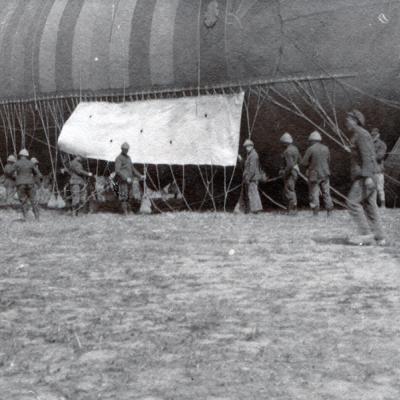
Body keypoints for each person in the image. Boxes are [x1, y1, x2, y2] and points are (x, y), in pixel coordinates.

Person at [345, 110, 385, 245]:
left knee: (352, 202)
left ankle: (366, 234)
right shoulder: (360, 135)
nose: (346, 122)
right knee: (370, 206)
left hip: (365, 176)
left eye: (348, 119)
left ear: (355, 120)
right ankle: (379, 237)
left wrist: (367, 177)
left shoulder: (360, 134)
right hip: (370, 175)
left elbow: (368, 156)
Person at [301, 130, 334, 216]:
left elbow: (304, 162)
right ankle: (329, 211)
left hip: (314, 175)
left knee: (314, 193)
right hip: (325, 173)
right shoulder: (326, 148)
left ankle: (316, 212)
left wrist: (309, 166)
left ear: (312, 140)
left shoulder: (310, 149)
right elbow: (329, 160)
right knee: (327, 193)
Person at [114, 142, 145, 215]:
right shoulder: (119, 158)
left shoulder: (128, 158)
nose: (126, 150)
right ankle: (125, 212)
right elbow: (117, 170)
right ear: (121, 149)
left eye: (127, 149)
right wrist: (125, 178)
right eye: (125, 149)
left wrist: (140, 175)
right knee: (124, 196)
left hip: (130, 180)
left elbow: (132, 168)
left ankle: (129, 210)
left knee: (130, 196)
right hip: (123, 181)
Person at [13, 149, 41, 220]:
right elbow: (37, 173)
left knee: (23, 201)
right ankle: (37, 217)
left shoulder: (17, 163)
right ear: (27, 156)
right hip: (30, 183)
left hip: (20, 183)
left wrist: (16, 176)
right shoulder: (31, 163)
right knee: (33, 200)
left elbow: (9, 171)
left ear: (20, 155)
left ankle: (26, 217)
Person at [279, 132, 301, 214]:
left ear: (285, 143)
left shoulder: (287, 151)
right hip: (295, 172)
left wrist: (284, 173)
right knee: (291, 189)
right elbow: (299, 160)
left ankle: (292, 210)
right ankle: (292, 209)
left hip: (290, 173)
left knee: (289, 190)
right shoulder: (295, 149)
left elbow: (289, 165)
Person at [241, 139, 263, 213]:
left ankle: (256, 210)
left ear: (252, 146)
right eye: (246, 147)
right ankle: (255, 209)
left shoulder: (253, 155)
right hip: (252, 177)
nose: (246, 148)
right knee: (253, 193)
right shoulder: (251, 154)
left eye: (248, 146)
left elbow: (252, 169)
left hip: (252, 178)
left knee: (253, 193)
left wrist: (248, 178)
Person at [370, 128, 387, 208]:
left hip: (379, 170)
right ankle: (374, 205)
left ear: (378, 135)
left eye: (375, 135)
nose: (373, 136)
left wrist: (371, 157)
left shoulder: (382, 144)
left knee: (380, 188)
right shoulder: (369, 144)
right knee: (372, 188)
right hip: (371, 170)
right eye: (372, 135)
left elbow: (380, 156)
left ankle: (383, 205)